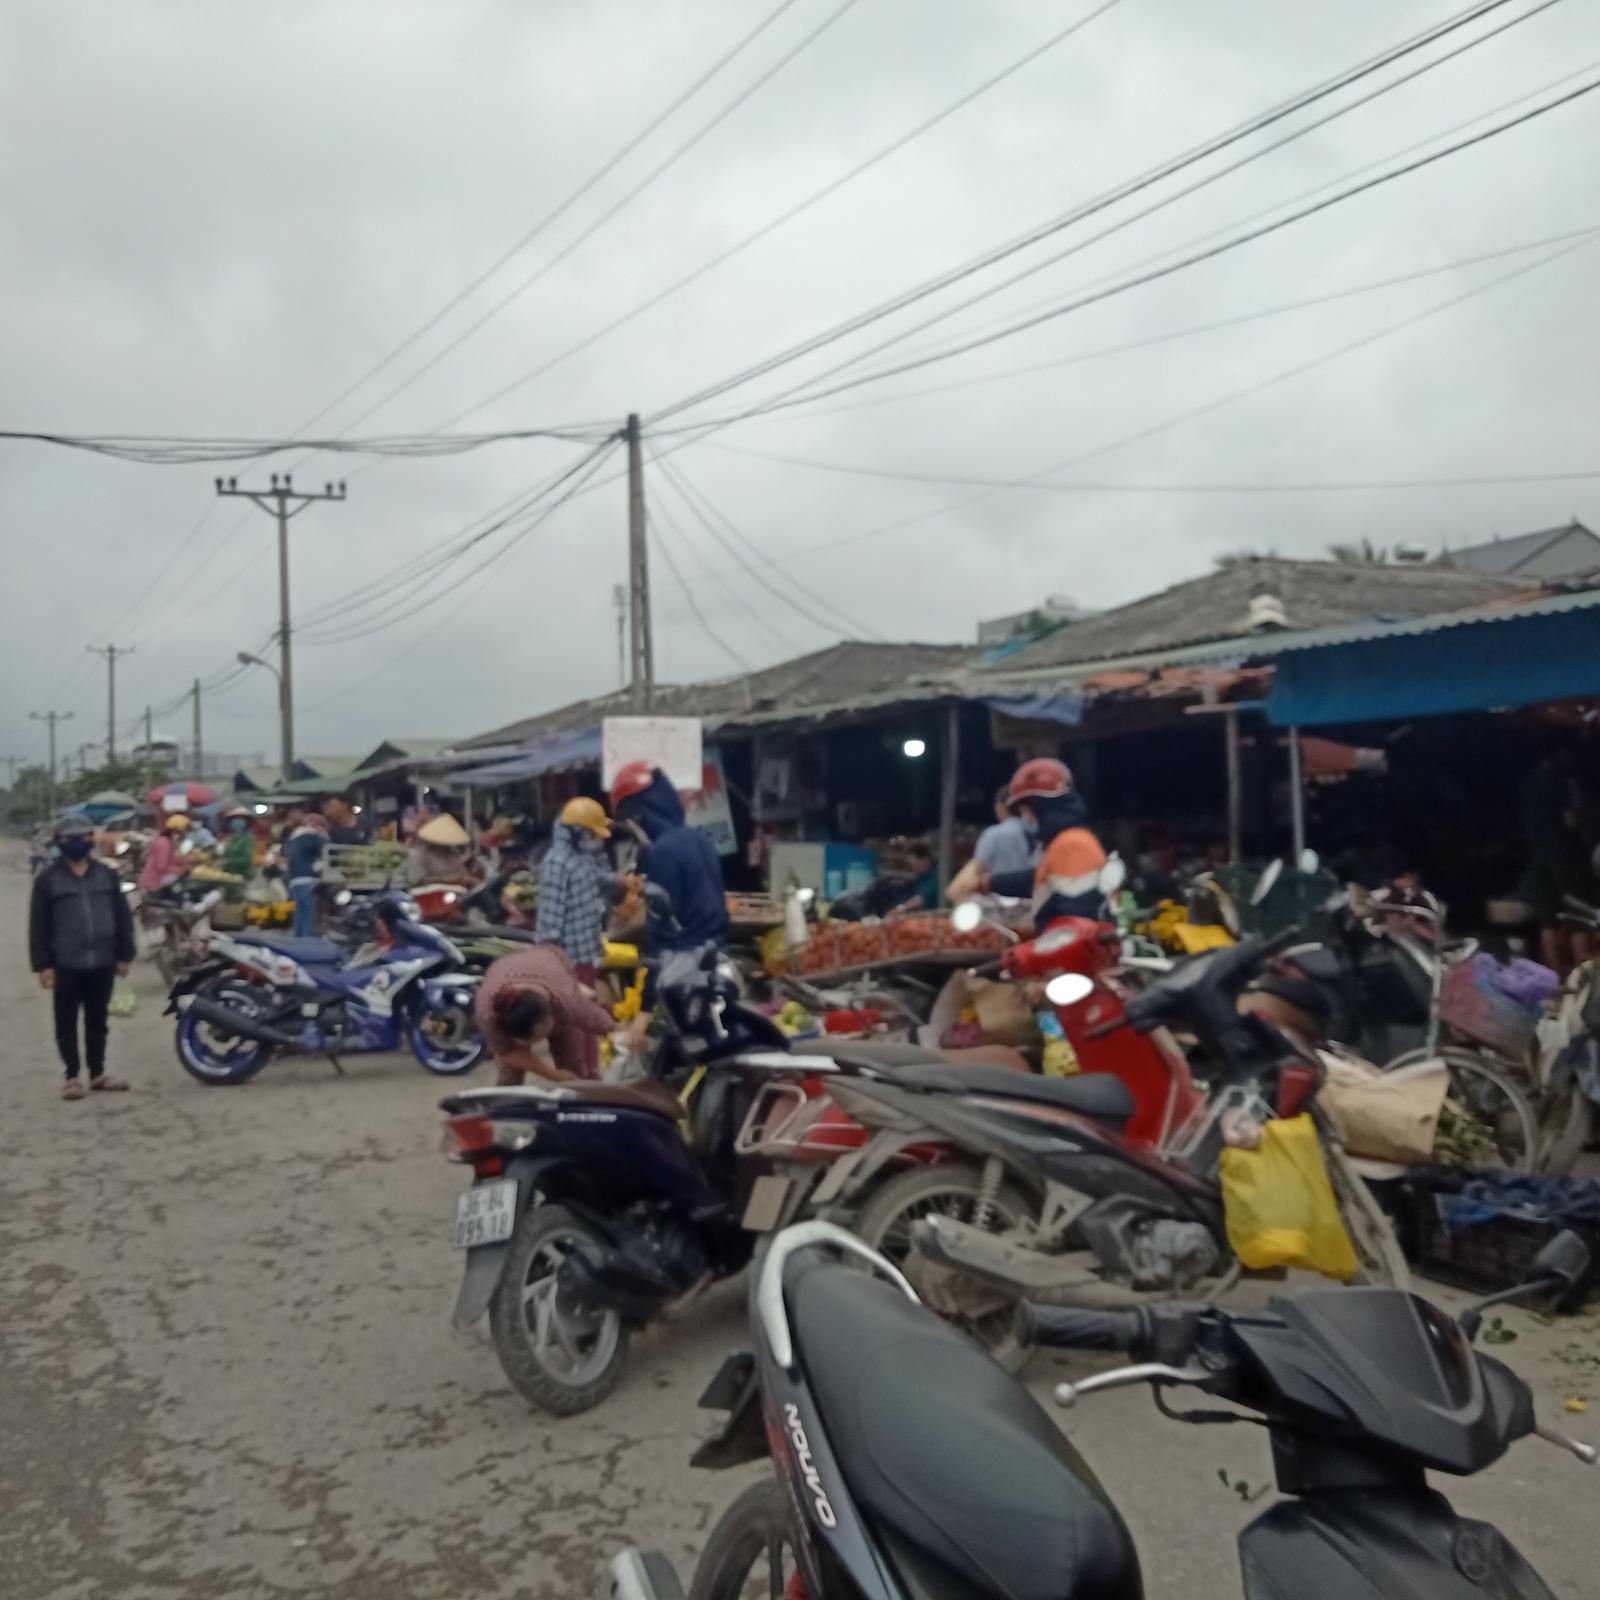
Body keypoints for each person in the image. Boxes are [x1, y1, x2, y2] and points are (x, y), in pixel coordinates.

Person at [30, 818, 137, 1099]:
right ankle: (72, 1076)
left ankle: (98, 1073)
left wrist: (124, 954)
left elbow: (122, 916)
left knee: (97, 1020)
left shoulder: (106, 875)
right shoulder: (48, 879)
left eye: (82, 836)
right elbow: (39, 925)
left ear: (91, 839)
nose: (77, 842)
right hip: (65, 962)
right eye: (70, 838)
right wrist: (43, 965)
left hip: (103, 960)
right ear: (59, 842)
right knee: (66, 1022)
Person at [610, 762, 729, 955]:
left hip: (684, 960)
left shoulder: (662, 852)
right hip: (718, 950)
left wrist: (653, 962)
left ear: (638, 816)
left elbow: (663, 926)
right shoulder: (701, 839)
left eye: (627, 821)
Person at [536, 797, 618, 1074]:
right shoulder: (557, 863)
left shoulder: (583, 855)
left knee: (586, 1017)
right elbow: (550, 917)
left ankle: (589, 1072)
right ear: (576, 832)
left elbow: (600, 879)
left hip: (585, 953)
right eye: (591, 833)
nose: (595, 839)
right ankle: (577, 1074)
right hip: (567, 958)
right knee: (573, 1022)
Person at [979, 758, 1107, 933]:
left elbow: (1077, 926)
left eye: (1024, 811)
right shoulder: (1063, 843)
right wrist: (992, 883)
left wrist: (1030, 948)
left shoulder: (1072, 845)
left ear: (1040, 807)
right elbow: (1041, 879)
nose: (1025, 818)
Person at [474, 943, 616, 1085]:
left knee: (572, 1066)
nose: (535, 1044)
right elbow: (508, 1052)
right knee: (510, 1073)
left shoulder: (568, 1000)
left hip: (551, 967)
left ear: (550, 1016)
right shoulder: (489, 1010)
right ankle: (507, 1098)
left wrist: (617, 1032)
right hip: (509, 969)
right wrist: (553, 1075)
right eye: (527, 1041)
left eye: (538, 1038)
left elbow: (601, 1022)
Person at [1519, 748, 1596, 974]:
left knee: (1548, 919)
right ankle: (1583, 975)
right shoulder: (1562, 780)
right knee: (1581, 916)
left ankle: (1554, 975)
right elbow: (1571, 820)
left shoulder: (1527, 785)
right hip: (1567, 853)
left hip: (1539, 854)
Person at [284, 811, 327, 937]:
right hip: (309, 880)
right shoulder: (313, 836)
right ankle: (308, 942)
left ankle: (298, 941)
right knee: (309, 916)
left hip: (295, 881)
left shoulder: (293, 838)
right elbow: (329, 851)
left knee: (300, 915)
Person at [408, 812, 473, 886]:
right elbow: (416, 881)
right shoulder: (421, 854)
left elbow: (461, 871)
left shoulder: (452, 852)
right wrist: (445, 880)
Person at [138, 813, 189, 894]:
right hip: (155, 880)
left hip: (159, 877)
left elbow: (177, 860)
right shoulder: (163, 843)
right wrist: (181, 870)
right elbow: (162, 867)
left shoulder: (170, 843)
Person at [221, 807, 257, 882]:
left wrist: (229, 861)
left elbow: (247, 859)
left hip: (243, 875)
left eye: (241, 818)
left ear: (246, 821)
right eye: (236, 818)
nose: (237, 821)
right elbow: (226, 853)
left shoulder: (248, 838)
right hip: (229, 874)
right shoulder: (231, 837)